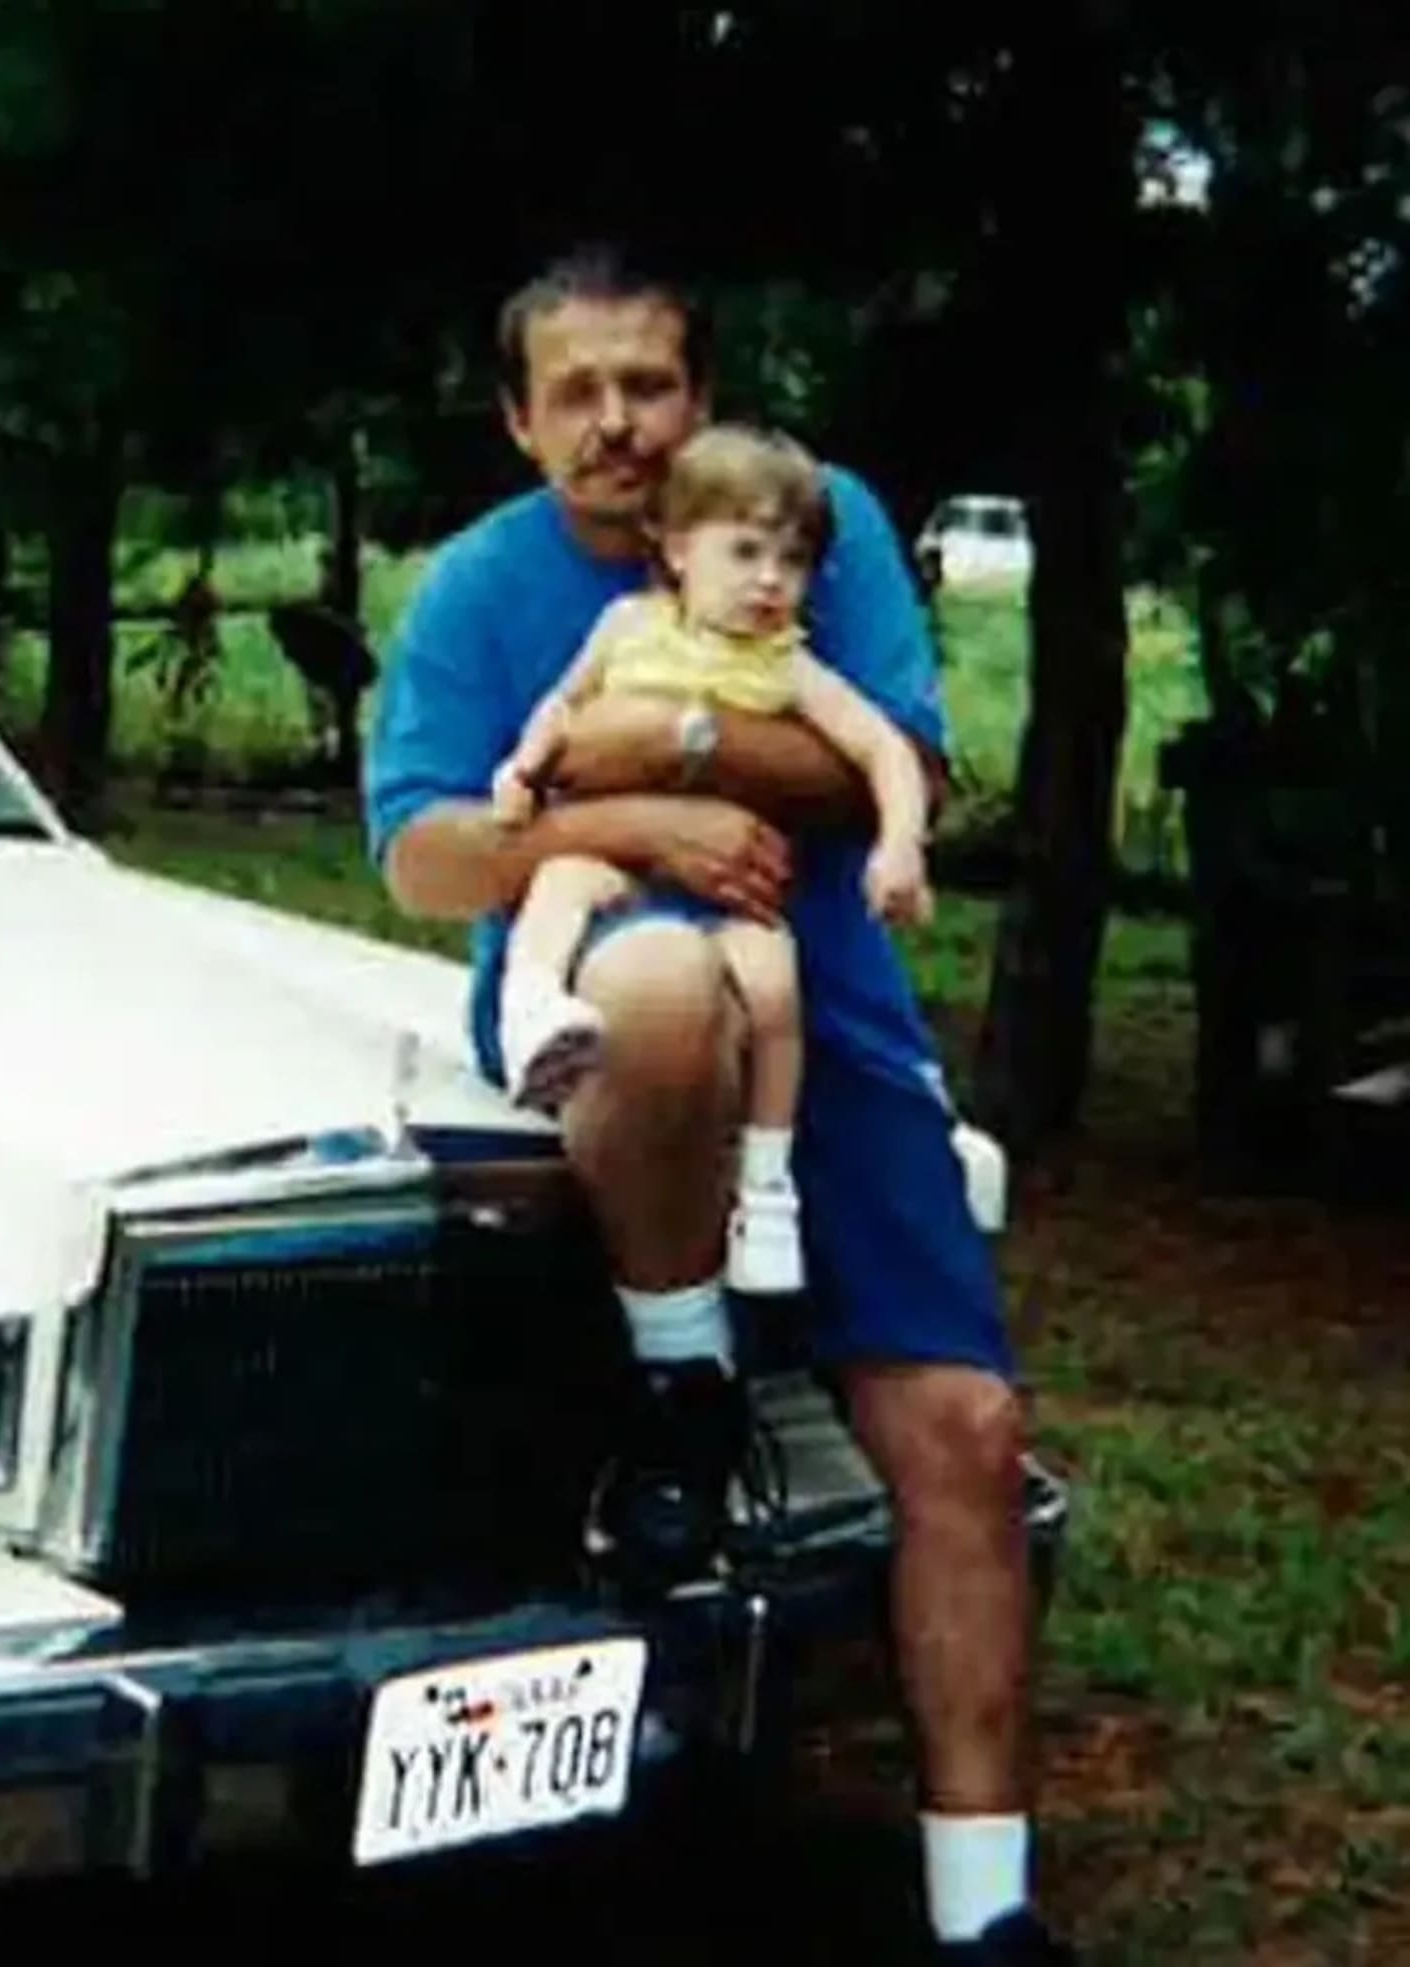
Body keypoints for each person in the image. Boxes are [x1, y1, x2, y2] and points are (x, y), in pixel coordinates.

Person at [366, 245, 1073, 1965]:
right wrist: (624, 827)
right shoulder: (481, 586)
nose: (618, 423)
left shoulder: (812, 521)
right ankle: (682, 1379)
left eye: (651, 385)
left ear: (702, 395)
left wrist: (661, 746)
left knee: (971, 1437)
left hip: (835, 1019)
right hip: (610, 1011)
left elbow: (886, 759)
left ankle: (985, 1912)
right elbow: (422, 852)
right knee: (670, 990)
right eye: (578, 393)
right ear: (520, 420)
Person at [490, 422, 932, 1299]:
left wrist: (899, 845)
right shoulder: (628, 626)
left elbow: (885, 748)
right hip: (624, 868)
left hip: (733, 894)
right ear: (676, 547)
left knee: (774, 990)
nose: (770, 580)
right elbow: (563, 703)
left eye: (793, 560)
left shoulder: (786, 666)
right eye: (746, 552)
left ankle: (766, 1186)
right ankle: (531, 1013)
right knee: (559, 883)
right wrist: (523, 768)